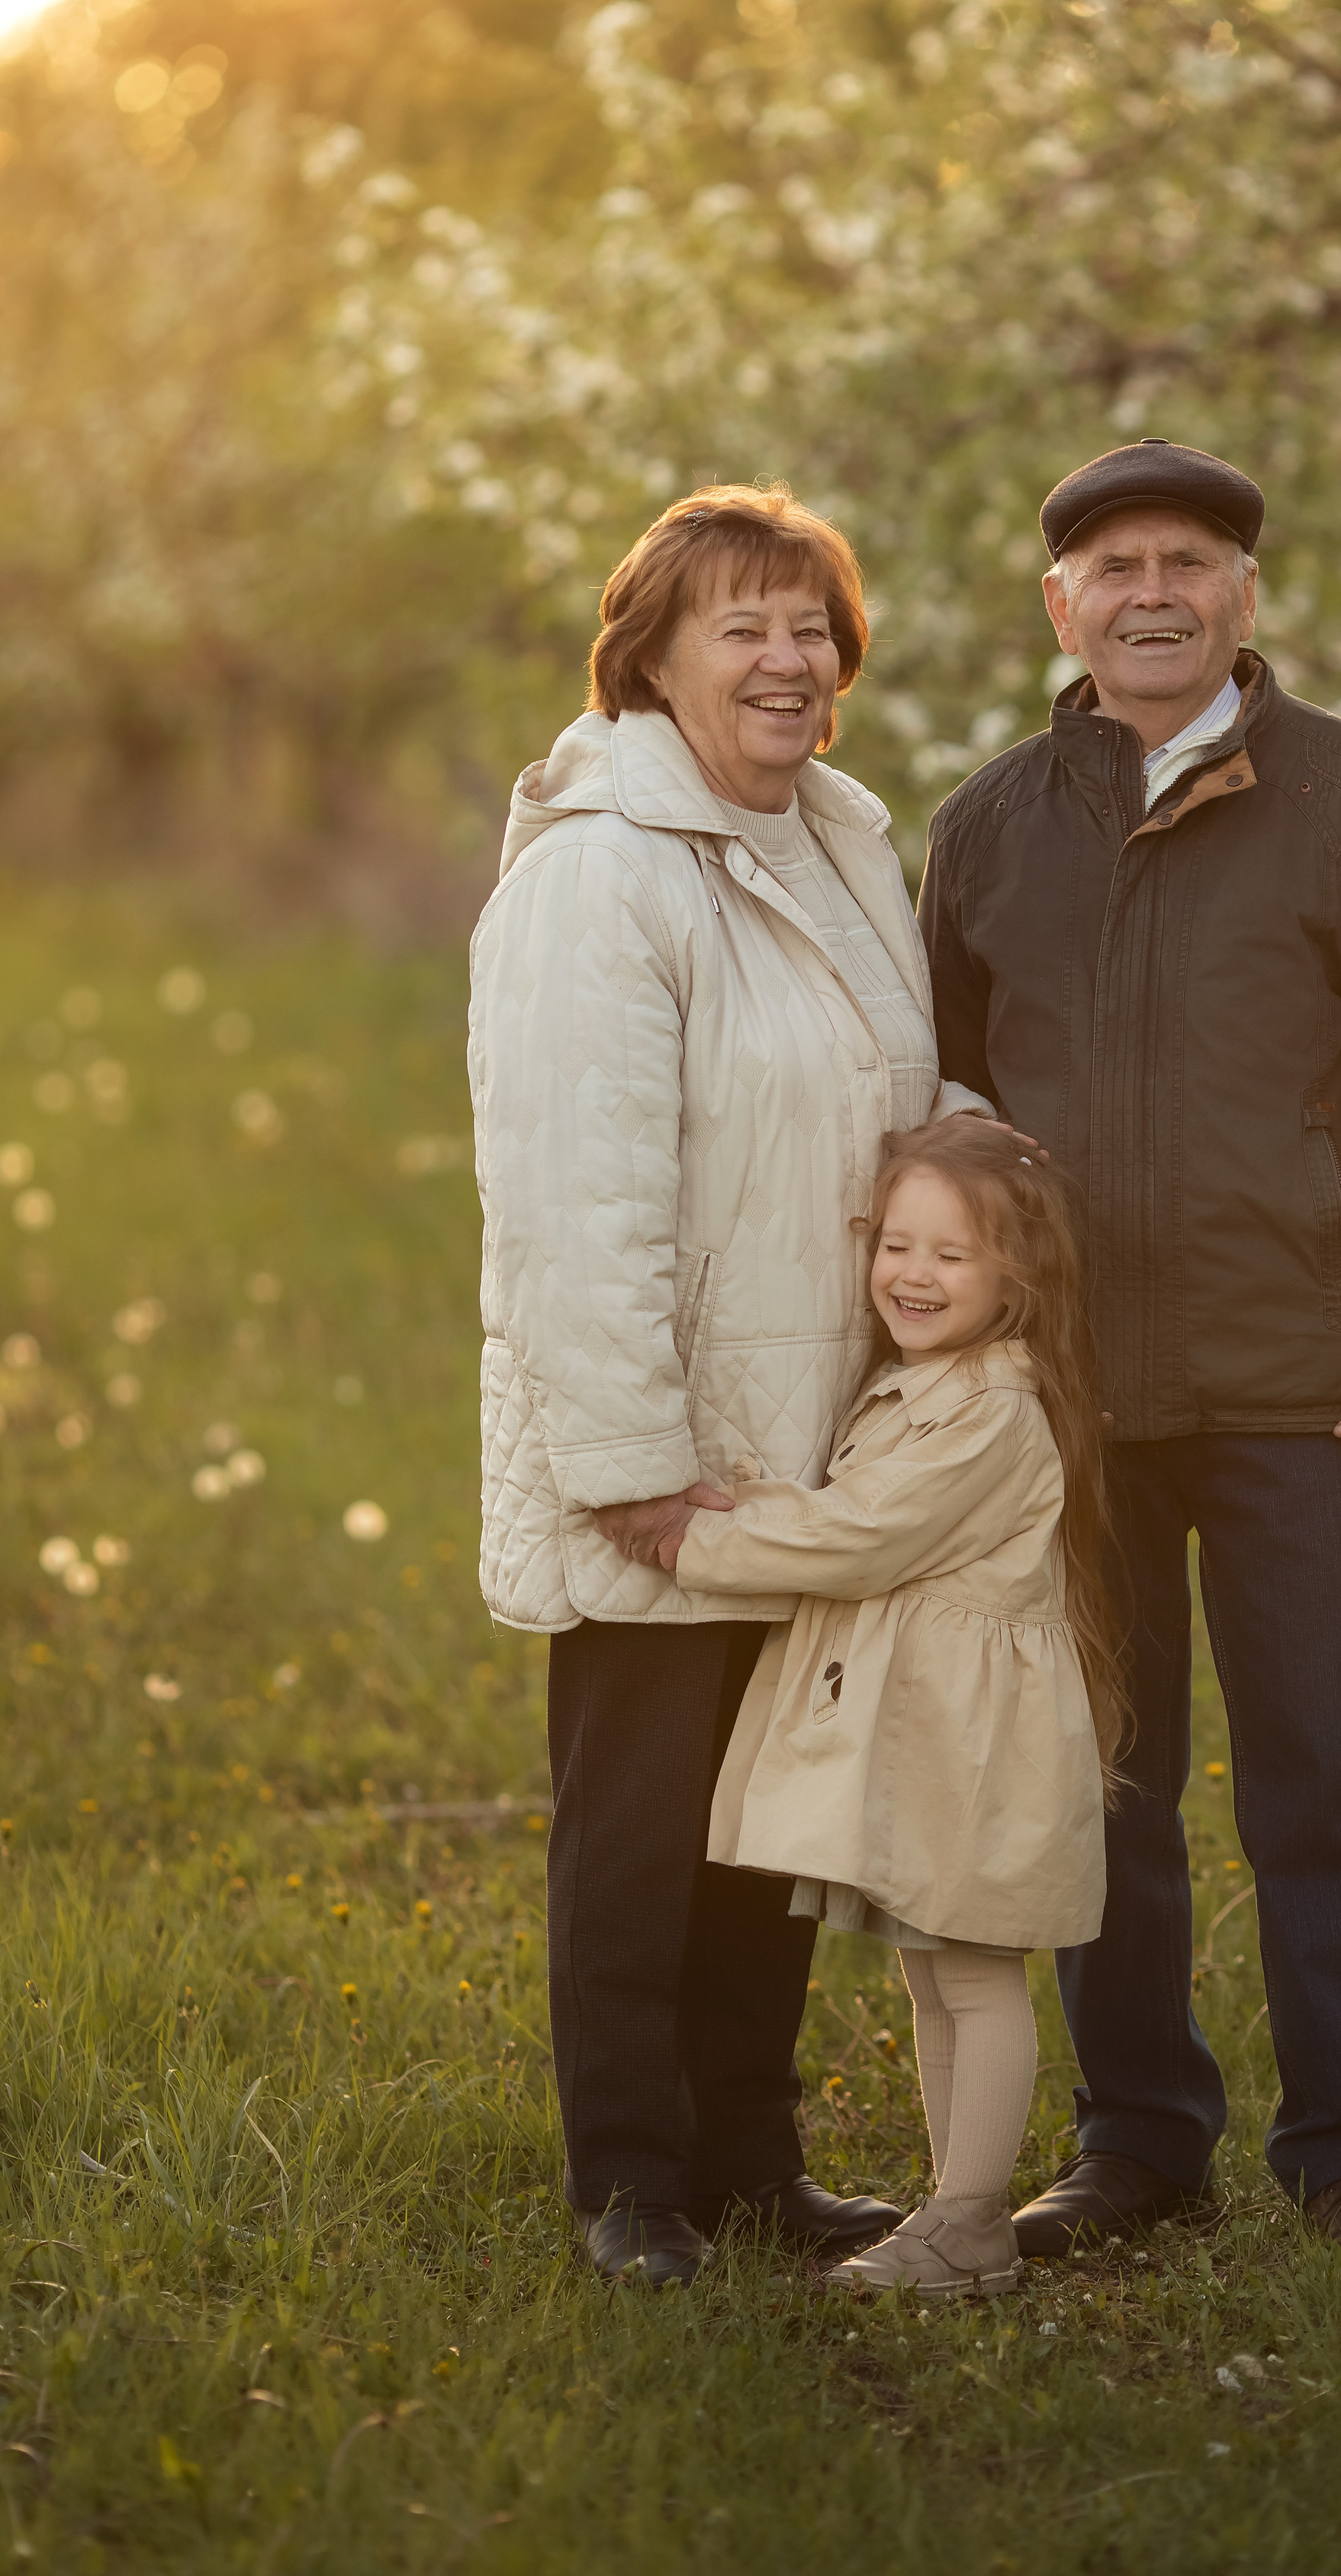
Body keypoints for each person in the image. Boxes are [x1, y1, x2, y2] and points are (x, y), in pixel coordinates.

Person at [918, 438, 1341, 2260]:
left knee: (1322, 1777)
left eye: (1188, 561)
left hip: (1298, 1391)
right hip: (1070, 1403)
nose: (1151, 592)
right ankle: (1138, 2139)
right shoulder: (991, 825)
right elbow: (940, 1109)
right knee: (1099, 1783)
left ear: (1243, 596)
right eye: (1114, 567)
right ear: (1060, 607)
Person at [468, 484, 989, 2288]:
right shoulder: (602, 868)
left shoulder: (834, 836)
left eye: (809, 626)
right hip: (667, 1448)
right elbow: (569, 1190)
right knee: (638, 1826)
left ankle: (753, 2166)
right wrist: (630, 1464)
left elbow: (874, 1107)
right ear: (651, 654)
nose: (784, 659)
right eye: (740, 626)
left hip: (812, 1445)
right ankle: (632, 2182)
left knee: (773, 1821)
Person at [651, 1119, 1124, 2298]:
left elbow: (860, 1536)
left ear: (1020, 1274)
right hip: (935, 1724)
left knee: (972, 1969)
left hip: (973, 1739)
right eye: (897, 1245)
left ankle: (971, 2224)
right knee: (935, 1970)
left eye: (951, 1256)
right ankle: (953, 2205)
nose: (913, 1274)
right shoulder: (931, 1385)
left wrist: (687, 1536)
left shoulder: (991, 1412)